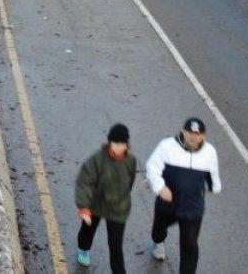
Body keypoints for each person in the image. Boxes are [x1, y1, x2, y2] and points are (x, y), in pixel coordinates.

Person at [145, 117, 221, 273]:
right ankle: (158, 241)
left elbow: (213, 176)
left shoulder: (209, 152)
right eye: (190, 132)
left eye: (198, 134)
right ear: (183, 131)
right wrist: (160, 188)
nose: (194, 136)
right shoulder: (166, 146)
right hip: (168, 202)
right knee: (159, 226)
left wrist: (214, 187)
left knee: (190, 244)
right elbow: (152, 167)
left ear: (203, 135)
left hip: (192, 207)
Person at [74, 123, 138, 272]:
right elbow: (84, 181)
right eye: (116, 143)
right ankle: (83, 249)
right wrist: (84, 205)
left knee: (116, 246)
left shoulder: (131, 161)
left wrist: (121, 197)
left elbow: (130, 181)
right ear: (109, 142)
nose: (119, 147)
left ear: (126, 144)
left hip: (118, 209)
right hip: (96, 204)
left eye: (122, 143)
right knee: (87, 230)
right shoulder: (97, 159)